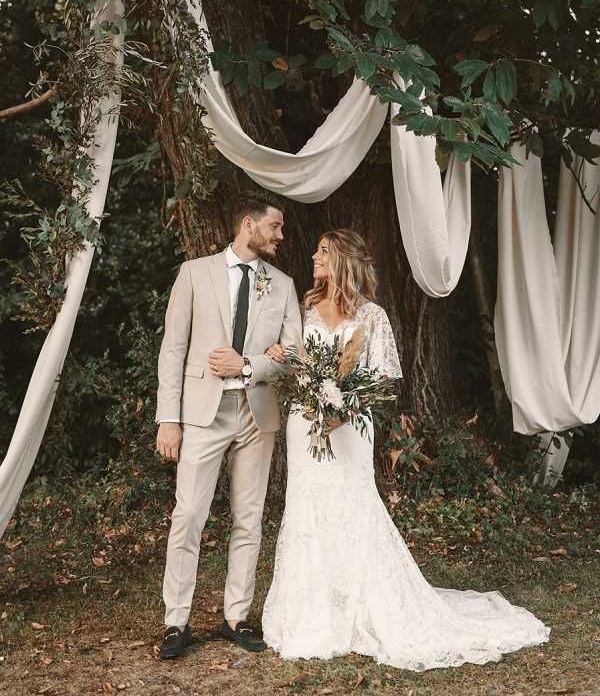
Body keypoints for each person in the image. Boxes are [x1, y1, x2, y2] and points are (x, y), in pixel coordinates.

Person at [262, 228, 550, 671]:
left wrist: (346, 405)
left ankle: (367, 603)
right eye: (317, 249)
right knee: (309, 507)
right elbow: (302, 361)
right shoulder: (306, 307)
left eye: (323, 251)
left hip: (352, 427)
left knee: (353, 505)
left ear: (343, 259)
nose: (315, 257)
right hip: (307, 425)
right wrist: (288, 360)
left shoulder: (373, 316)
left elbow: (383, 381)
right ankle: (317, 611)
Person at [155, 191, 301, 660]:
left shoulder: (282, 285)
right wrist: (169, 419)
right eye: (274, 227)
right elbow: (173, 350)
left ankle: (236, 616)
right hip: (202, 414)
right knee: (189, 515)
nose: (281, 235)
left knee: (248, 517)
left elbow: (295, 355)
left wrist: (247, 366)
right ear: (248, 225)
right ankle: (176, 622)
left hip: (257, 416)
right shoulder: (194, 274)